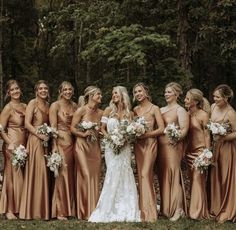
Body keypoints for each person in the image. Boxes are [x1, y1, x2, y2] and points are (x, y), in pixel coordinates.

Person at [89, 86, 140, 222]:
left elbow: (132, 131)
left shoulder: (130, 113)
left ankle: (127, 207)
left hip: (125, 147)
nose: (113, 95)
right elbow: (102, 129)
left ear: (122, 94)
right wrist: (111, 139)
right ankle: (108, 207)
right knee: (112, 172)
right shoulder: (108, 110)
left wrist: (124, 140)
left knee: (125, 172)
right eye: (112, 93)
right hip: (111, 148)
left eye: (116, 93)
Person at [157, 82, 189, 221]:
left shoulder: (180, 110)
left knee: (174, 176)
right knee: (163, 176)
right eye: (165, 92)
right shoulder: (161, 109)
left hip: (173, 147)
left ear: (176, 94)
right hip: (160, 147)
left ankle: (178, 209)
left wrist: (176, 138)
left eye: (169, 92)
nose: (166, 94)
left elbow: (184, 130)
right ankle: (166, 208)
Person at [132, 83, 164, 222]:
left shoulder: (154, 108)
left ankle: (149, 212)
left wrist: (147, 134)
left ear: (146, 92)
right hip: (139, 146)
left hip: (150, 144)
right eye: (135, 92)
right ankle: (142, 210)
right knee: (141, 176)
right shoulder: (135, 110)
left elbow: (161, 128)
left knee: (146, 174)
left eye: (140, 91)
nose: (138, 93)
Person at [19, 80, 50, 220]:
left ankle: (43, 210)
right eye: (40, 89)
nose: (43, 90)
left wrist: (48, 134)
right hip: (35, 140)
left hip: (45, 142)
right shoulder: (32, 103)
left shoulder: (48, 105)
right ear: (36, 91)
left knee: (44, 172)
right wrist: (39, 135)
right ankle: (33, 210)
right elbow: (27, 124)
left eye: (45, 88)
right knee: (38, 171)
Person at [71, 86, 103, 220]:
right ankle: (84, 210)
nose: (100, 96)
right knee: (86, 175)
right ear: (90, 96)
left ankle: (94, 209)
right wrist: (83, 134)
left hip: (94, 148)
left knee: (95, 177)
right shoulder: (81, 110)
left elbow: (102, 130)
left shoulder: (101, 113)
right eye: (98, 94)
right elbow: (72, 128)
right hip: (82, 147)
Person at [49, 81, 77, 220]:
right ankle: (60, 210)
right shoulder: (55, 105)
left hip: (73, 142)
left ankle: (70, 209)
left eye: (70, 89)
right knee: (62, 174)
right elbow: (53, 127)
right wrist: (54, 146)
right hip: (60, 141)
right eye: (65, 89)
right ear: (60, 91)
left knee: (70, 175)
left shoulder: (75, 105)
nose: (68, 92)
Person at [209, 84, 236, 223]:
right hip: (215, 147)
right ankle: (216, 207)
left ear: (226, 98)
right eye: (214, 96)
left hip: (227, 148)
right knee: (216, 177)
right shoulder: (213, 107)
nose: (215, 99)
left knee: (225, 177)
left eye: (218, 97)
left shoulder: (231, 112)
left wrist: (223, 136)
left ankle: (228, 210)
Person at [0, 80, 27, 219]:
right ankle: (9, 209)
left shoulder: (25, 106)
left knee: (22, 176)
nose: (16, 91)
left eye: (17, 88)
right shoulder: (8, 108)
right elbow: (1, 129)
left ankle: (20, 207)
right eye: (13, 90)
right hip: (12, 144)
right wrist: (10, 143)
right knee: (12, 175)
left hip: (24, 145)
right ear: (8, 93)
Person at [184, 88, 210, 219]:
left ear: (194, 101)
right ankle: (194, 209)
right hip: (189, 152)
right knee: (192, 180)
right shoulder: (186, 114)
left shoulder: (203, 115)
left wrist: (207, 153)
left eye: (187, 98)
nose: (185, 100)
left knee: (197, 180)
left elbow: (207, 135)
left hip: (200, 153)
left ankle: (197, 213)